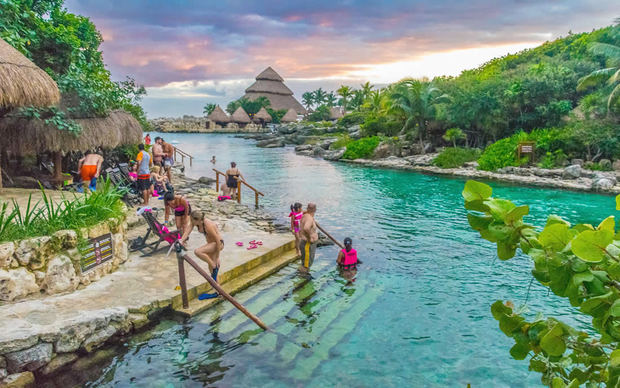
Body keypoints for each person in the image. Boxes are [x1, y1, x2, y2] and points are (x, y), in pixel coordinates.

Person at [180, 209, 224, 300]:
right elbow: (188, 230)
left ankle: (213, 264)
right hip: (211, 244)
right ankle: (218, 291)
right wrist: (181, 240)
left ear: (199, 220)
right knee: (212, 271)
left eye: (192, 220)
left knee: (198, 251)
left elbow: (218, 241)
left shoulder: (208, 226)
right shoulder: (195, 221)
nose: (191, 222)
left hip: (217, 244)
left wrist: (217, 257)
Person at [299, 203, 318, 272]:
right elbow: (306, 228)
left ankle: (303, 274)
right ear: (315, 210)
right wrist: (310, 237)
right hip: (307, 243)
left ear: (307, 209)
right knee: (306, 265)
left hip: (305, 243)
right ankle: (303, 276)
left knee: (305, 263)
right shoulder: (309, 218)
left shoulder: (305, 215)